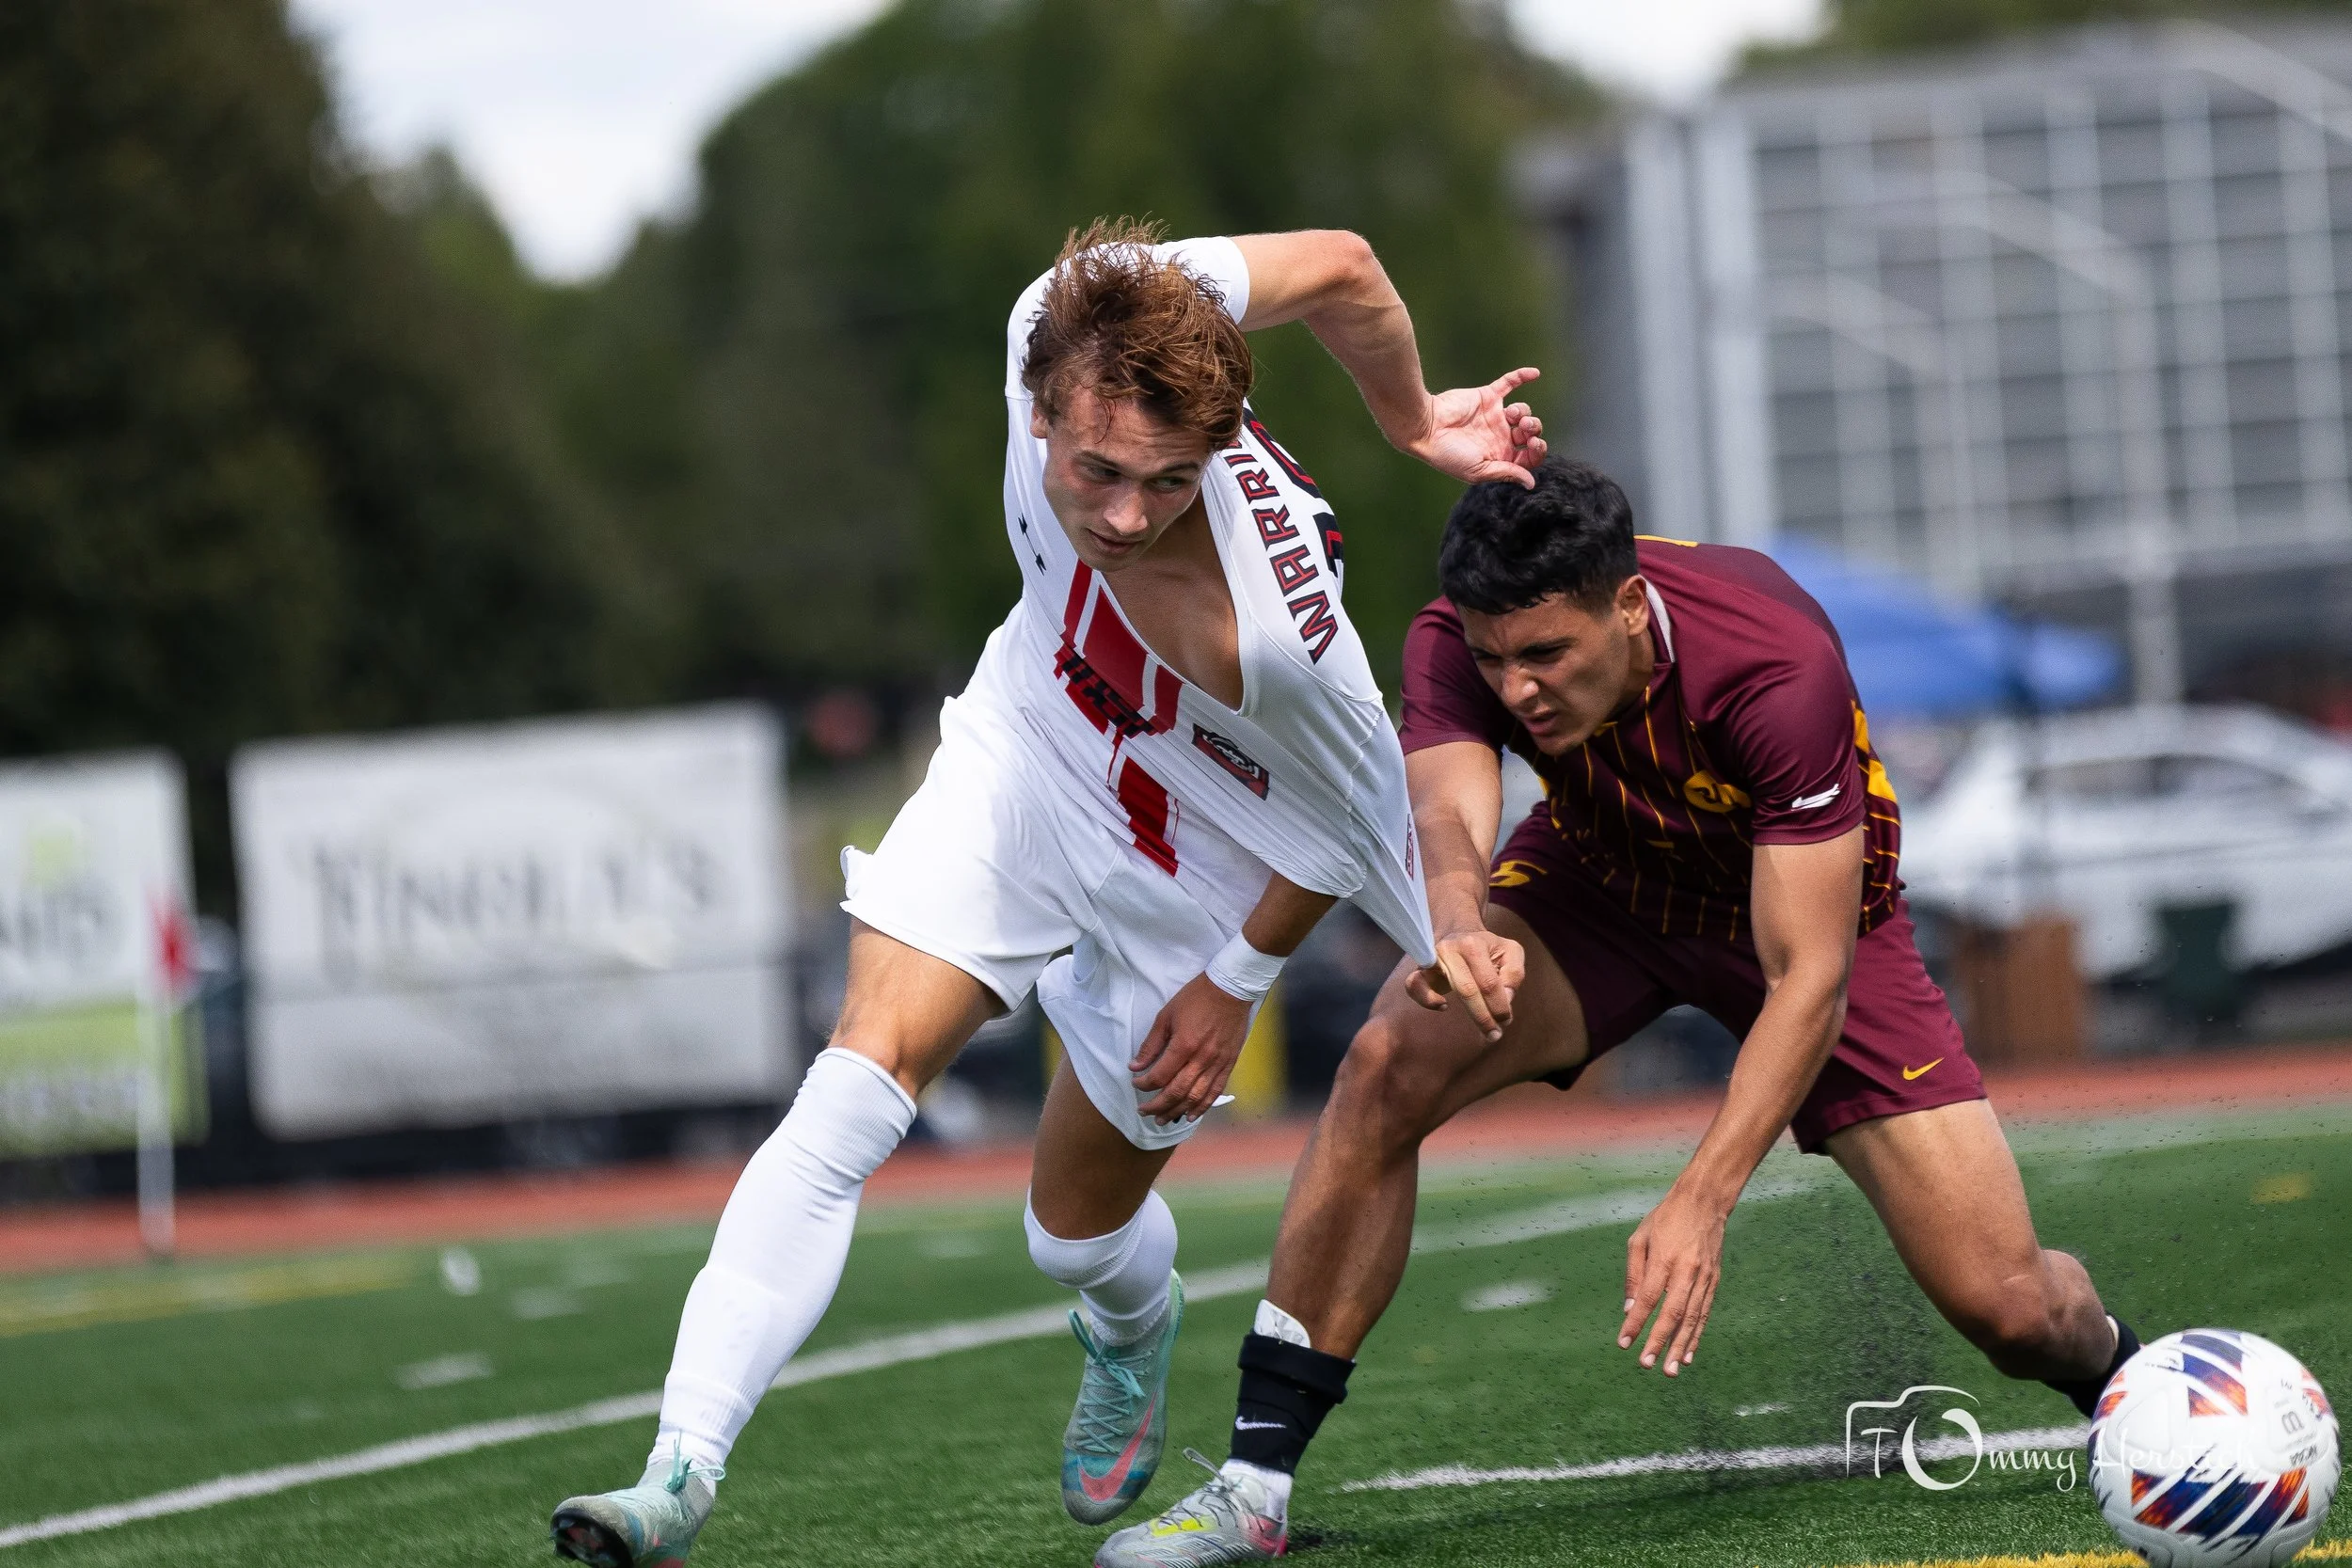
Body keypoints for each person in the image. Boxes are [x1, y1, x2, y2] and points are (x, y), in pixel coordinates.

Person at [547, 219, 1546, 1567]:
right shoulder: (1066, 314)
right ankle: (676, 1476)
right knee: (854, 1081)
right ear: (1040, 396)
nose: (1127, 514)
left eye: (1171, 481)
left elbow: (1354, 819)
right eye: (1098, 469)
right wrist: (1416, 413)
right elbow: (1351, 266)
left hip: (1210, 851)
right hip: (1032, 743)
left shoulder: (1280, 634)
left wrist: (1235, 979)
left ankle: (1128, 1325)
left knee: (1071, 1233)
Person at [1096, 457, 2140, 1566]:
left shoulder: (1771, 666)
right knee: (1388, 1054)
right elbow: (1448, 808)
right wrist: (1457, 922)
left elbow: (1808, 978)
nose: (1518, 688)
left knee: (2012, 1308)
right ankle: (1253, 1484)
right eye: (1496, 659)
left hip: (1805, 928)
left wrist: (1700, 1196)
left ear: (1628, 606)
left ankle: (2133, 1380)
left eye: (1547, 653)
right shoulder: (1453, 635)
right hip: (1600, 883)